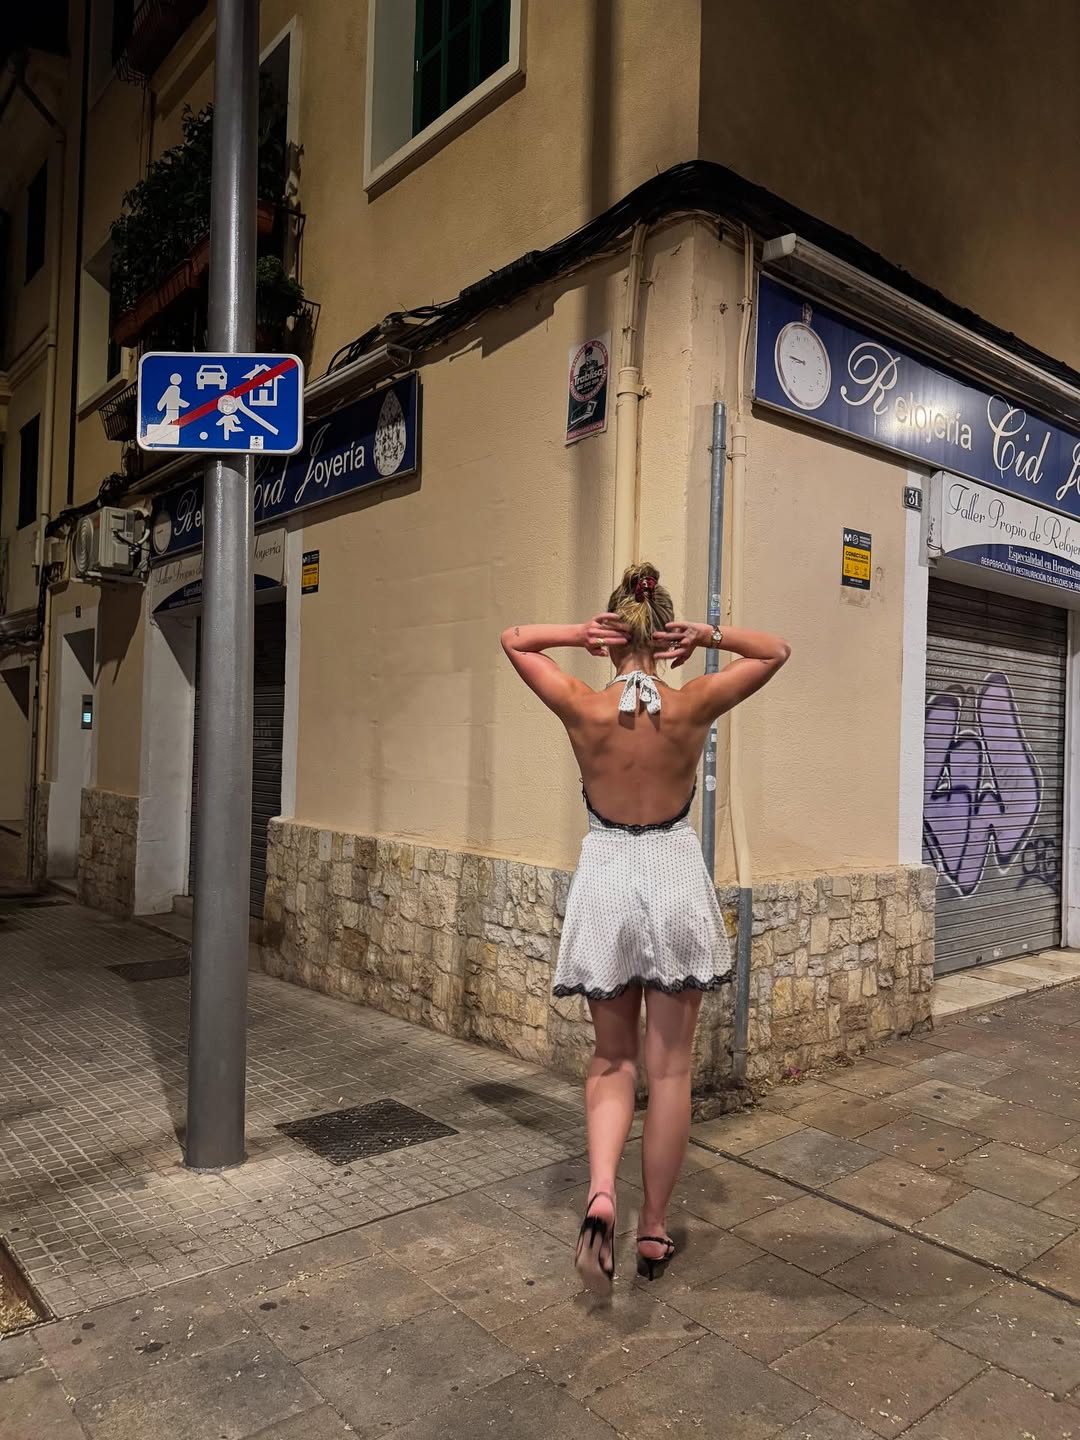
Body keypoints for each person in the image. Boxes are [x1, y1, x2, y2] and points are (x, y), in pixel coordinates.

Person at [501, 562, 790, 1292]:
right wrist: (710, 635)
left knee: (610, 1060)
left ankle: (603, 1192)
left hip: (606, 871)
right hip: (671, 870)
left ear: (610, 636)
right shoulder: (693, 704)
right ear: (666, 636)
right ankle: (653, 1228)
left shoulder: (581, 706)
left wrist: (578, 636)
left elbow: (514, 640)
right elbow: (776, 651)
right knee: (669, 1072)